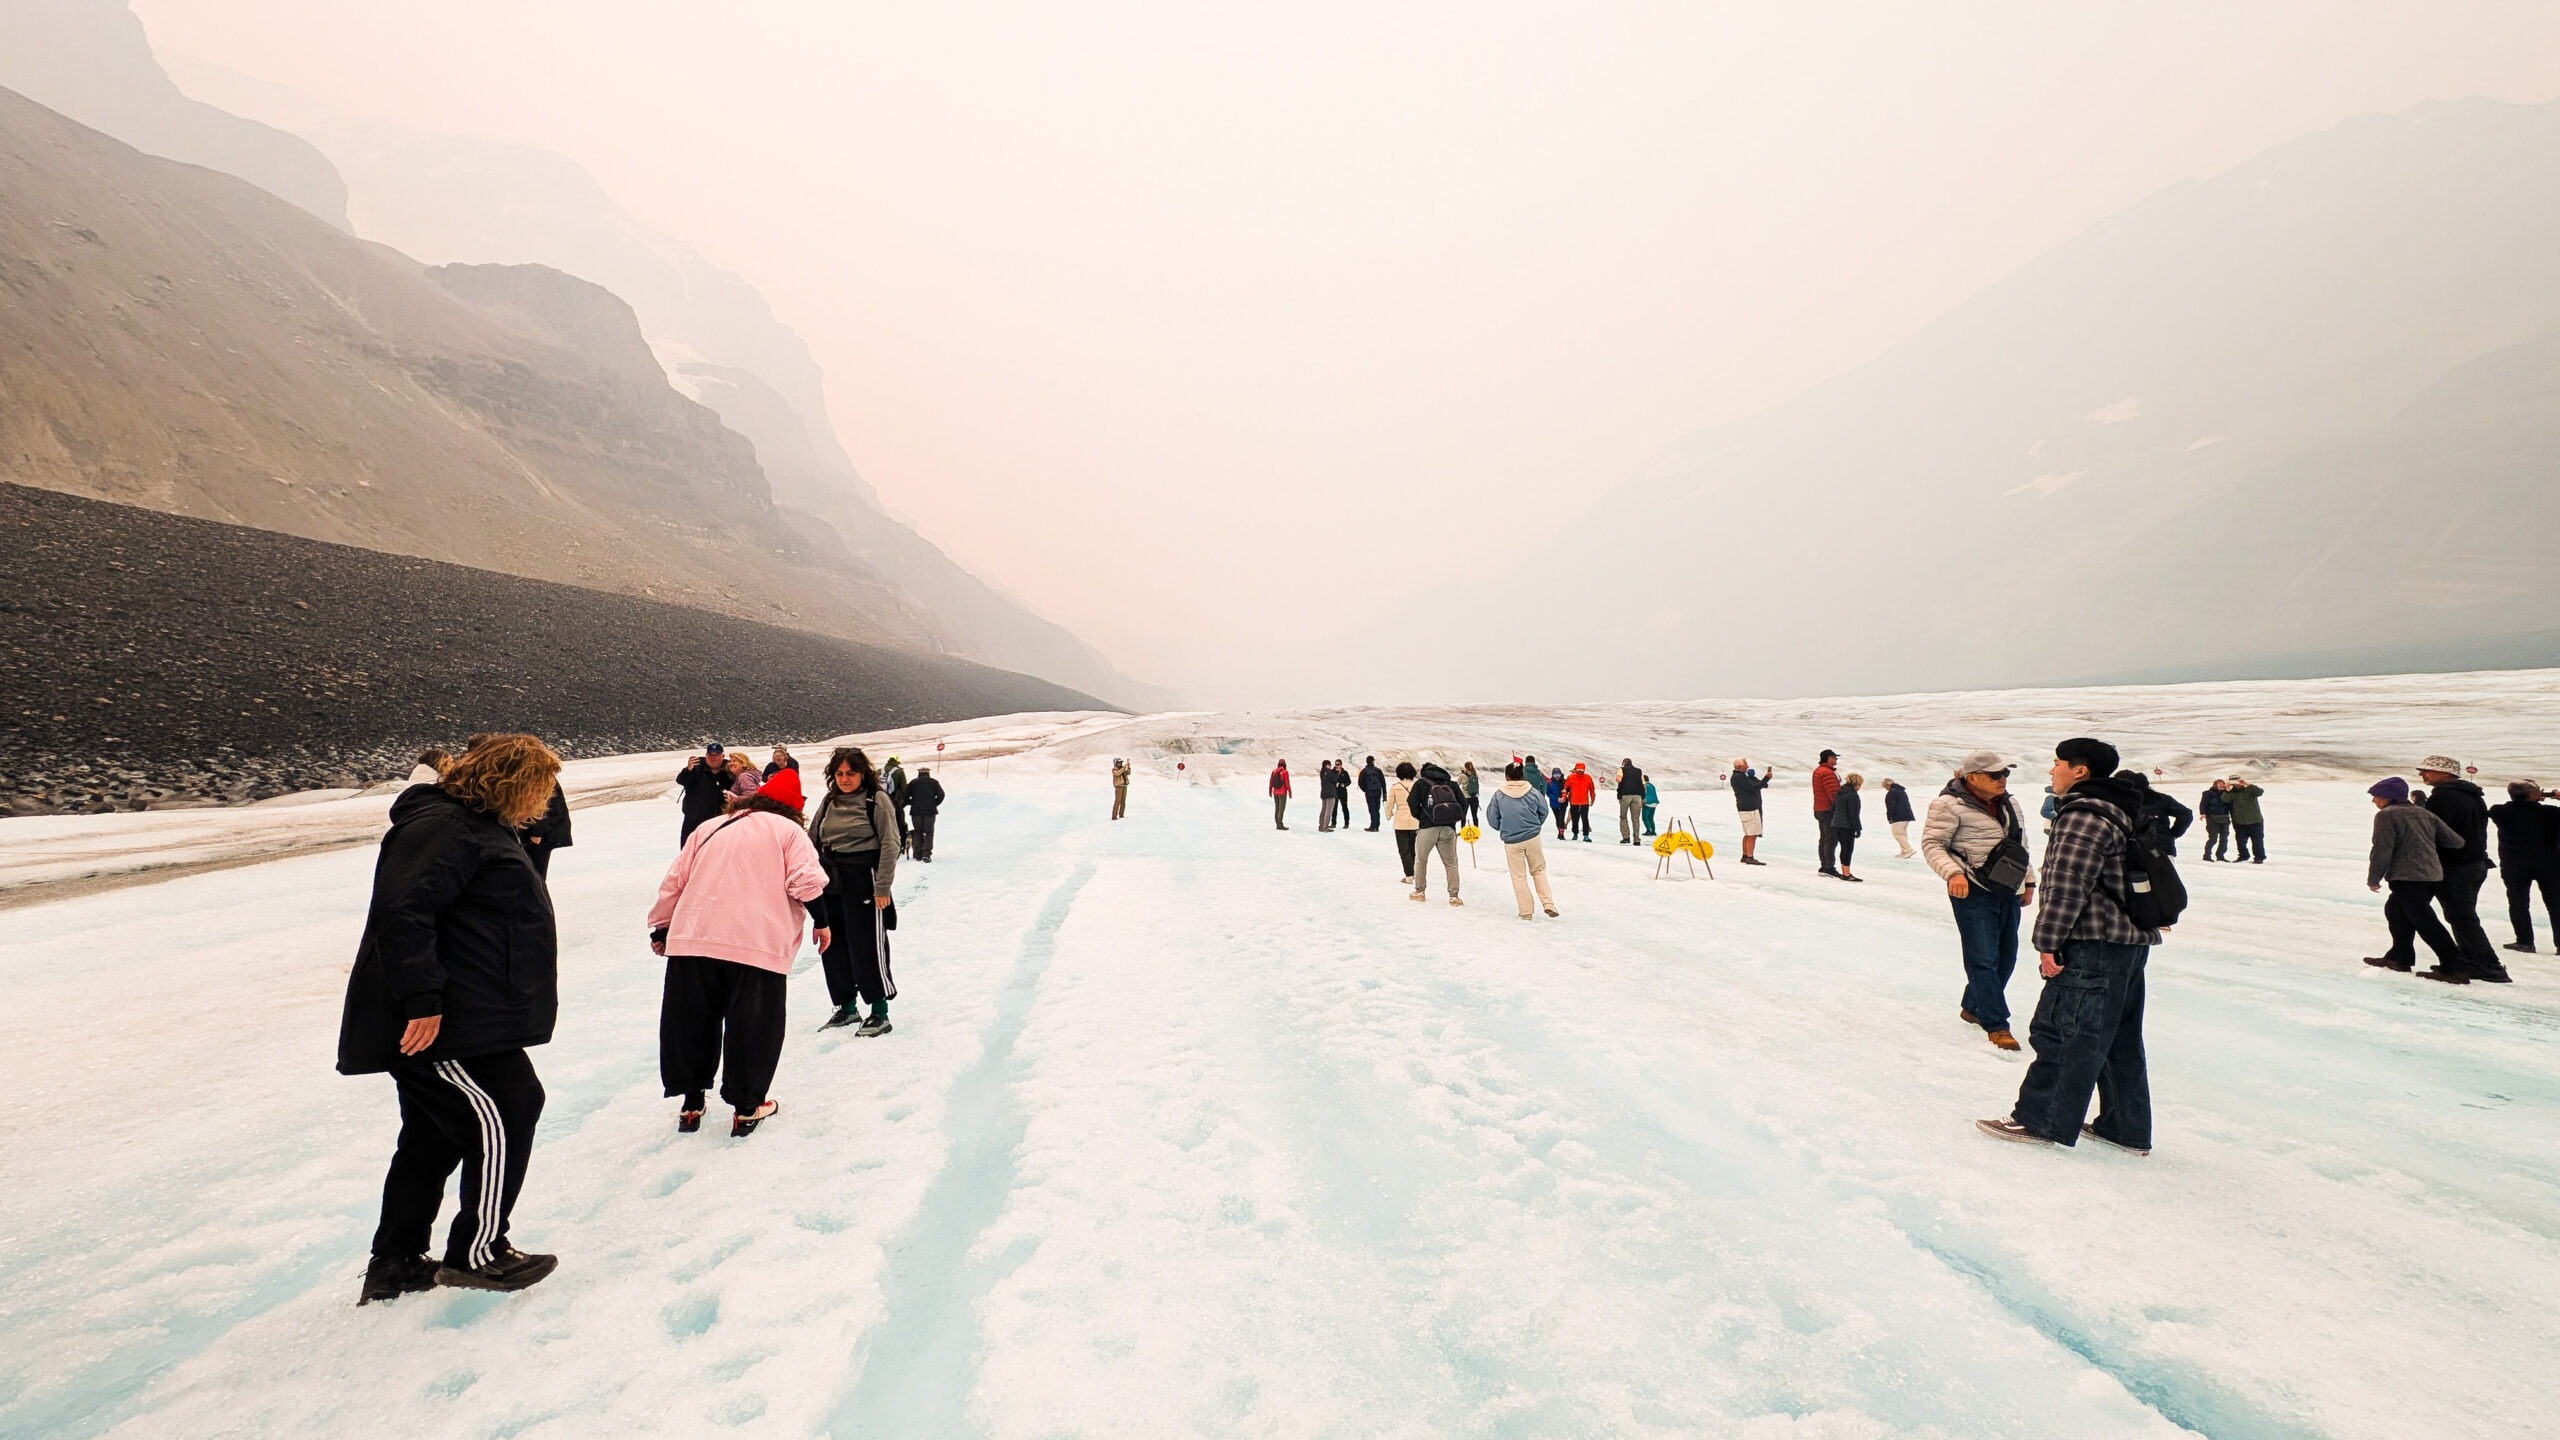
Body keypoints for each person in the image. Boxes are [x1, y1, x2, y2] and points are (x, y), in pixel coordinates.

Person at [339, 734, 564, 1304]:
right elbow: (404, 908)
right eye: (539, 789)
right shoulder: (447, 827)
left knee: (432, 1137)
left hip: (465, 1011)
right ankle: (479, 1251)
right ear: (514, 783)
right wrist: (422, 997)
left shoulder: (471, 825)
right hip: (450, 1022)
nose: (543, 803)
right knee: (511, 1107)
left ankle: (396, 1262)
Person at [1978, 738, 2159, 1154]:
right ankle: (2124, 1127)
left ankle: (2040, 1119)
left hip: (2091, 943)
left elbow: (2065, 887)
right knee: (2118, 1040)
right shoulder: (2121, 809)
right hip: (2128, 944)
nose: (2051, 770)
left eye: (2057, 763)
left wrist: (2047, 943)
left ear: (2080, 770)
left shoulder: (2081, 816)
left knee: (2064, 1032)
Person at [648, 767, 828, 1138]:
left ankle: (691, 1103)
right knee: (753, 1025)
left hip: (693, 939)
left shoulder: (710, 827)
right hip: (755, 942)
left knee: (691, 1021)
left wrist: (663, 927)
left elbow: (674, 881)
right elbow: (805, 881)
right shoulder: (789, 831)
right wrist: (822, 922)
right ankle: (747, 1109)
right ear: (794, 809)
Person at [1922, 752, 2034, 1052]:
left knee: (2006, 956)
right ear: (1971, 777)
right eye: (1994, 775)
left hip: (2008, 888)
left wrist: (2029, 880)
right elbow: (1933, 844)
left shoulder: (2011, 803)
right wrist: (1953, 874)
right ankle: (1997, 1023)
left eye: (2004, 774)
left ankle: (1973, 1006)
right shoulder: (1947, 804)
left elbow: (2019, 846)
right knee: (1982, 958)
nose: (2002, 780)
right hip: (1971, 890)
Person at [807, 747, 903, 1034]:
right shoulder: (829, 800)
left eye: (850, 773)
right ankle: (847, 1007)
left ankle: (879, 1010)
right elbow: (812, 838)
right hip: (831, 879)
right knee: (832, 945)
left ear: (863, 774)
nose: (845, 779)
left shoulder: (877, 800)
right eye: (839, 773)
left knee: (866, 945)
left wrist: (882, 886)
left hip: (864, 878)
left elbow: (890, 843)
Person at [2417, 756, 2510, 983]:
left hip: (2456, 865)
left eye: (2427, 770)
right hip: (2475, 863)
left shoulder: (2445, 796)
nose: (2422, 775)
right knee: (2462, 915)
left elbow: (2434, 830)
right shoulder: (2472, 795)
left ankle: (2489, 966)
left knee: (2462, 917)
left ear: (2445, 773)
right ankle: (2471, 962)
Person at [2361, 776, 2466, 978]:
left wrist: (2374, 878)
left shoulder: (2387, 816)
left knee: (2425, 921)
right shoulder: (2423, 812)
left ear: (2388, 797)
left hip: (2408, 877)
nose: (2374, 801)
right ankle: (2399, 957)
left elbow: (2382, 849)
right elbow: (2456, 842)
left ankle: (2455, 966)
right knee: (2395, 910)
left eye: (2376, 796)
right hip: (2431, 875)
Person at [2489, 781, 2560, 953]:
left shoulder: (2501, 811)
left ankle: (2525, 941)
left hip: (2514, 865)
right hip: (2549, 864)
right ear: (2533, 794)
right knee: (2555, 904)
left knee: (2518, 903)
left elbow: (2497, 810)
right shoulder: (2551, 813)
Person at [1486, 762, 1559, 919]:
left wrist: (1504, 827)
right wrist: (1535, 825)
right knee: (1538, 871)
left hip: (1511, 841)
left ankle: (1526, 912)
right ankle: (1548, 903)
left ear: (1507, 776)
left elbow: (1492, 818)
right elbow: (1544, 811)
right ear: (1522, 775)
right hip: (1533, 838)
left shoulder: (1499, 794)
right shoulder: (1532, 792)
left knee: (1519, 877)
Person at [1408, 761, 1466, 906]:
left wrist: (1422, 817)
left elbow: (1412, 802)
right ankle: (1454, 896)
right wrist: (1452, 820)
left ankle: (1420, 892)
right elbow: (1463, 804)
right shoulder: (1451, 784)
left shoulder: (1421, 784)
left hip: (1427, 827)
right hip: (1448, 828)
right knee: (1451, 863)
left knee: (1421, 860)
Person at [676, 743, 733, 847]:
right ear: (706, 756)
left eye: (717, 754)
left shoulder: (729, 771)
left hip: (720, 820)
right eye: (710, 754)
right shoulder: (696, 769)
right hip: (694, 819)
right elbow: (681, 780)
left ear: (723, 756)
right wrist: (688, 769)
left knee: (715, 851)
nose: (713, 757)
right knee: (688, 850)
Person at [516, 779, 573, 881]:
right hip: (536, 831)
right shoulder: (538, 773)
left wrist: (537, 832)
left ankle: (537, 895)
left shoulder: (538, 775)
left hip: (539, 834)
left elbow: (544, 806)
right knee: (532, 873)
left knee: (535, 874)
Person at [2128, 776, 2193, 856]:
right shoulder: (2162, 799)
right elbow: (2186, 814)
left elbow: (2186, 814)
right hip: (2162, 849)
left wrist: (2174, 834)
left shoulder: (2125, 801)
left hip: (2136, 852)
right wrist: (2173, 834)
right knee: (2164, 867)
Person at [1729, 759, 1771, 866]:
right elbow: (1754, 787)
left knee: (1748, 833)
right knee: (1752, 834)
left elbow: (1754, 786)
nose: (1747, 767)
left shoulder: (1737, 777)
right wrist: (1766, 778)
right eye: (1746, 765)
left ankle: (1745, 855)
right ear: (1740, 766)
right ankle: (1749, 857)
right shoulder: (1740, 777)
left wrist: (1763, 781)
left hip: (1744, 807)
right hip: (1749, 808)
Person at [904, 767, 946, 862]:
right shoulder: (934, 782)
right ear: (928, 773)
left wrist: (912, 802)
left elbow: (904, 795)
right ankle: (926, 854)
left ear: (919, 773)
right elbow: (941, 795)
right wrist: (934, 803)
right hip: (930, 812)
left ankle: (918, 854)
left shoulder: (913, 783)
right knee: (929, 832)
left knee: (918, 832)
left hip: (916, 811)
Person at [1829, 774, 1865, 881]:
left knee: (1843, 849)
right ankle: (1846, 874)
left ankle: (1845, 872)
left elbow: (1833, 808)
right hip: (1847, 826)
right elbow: (1853, 814)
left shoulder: (1840, 792)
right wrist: (1858, 828)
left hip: (1836, 824)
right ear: (1857, 784)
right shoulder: (1853, 795)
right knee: (1848, 849)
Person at [1388, 761, 1421, 878]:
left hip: (1400, 821)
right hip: (1415, 820)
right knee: (1414, 849)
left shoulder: (1395, 787)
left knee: (1404, 850)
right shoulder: (1418, 785)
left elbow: (1390, 803)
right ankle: (1416, 873)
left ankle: (1409, 875)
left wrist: (1388, 814)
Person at [1812, 750, 1842, 875]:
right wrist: (1840, 808)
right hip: (1828, 810)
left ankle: (1824, 865)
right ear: (1829, 758)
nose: (1836, 760)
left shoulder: (1818, 771)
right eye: (1835, 758)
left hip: (1819, 808)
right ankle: (1828, 867)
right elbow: (1833, 794)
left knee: (1824, 838)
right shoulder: (1827, 773)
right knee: (1831, 839)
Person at [2225, 776, 2267, 862]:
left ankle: (2259, 857)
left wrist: (2247, 784)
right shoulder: (2231, 793)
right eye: (2233, 782)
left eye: (2237, 781)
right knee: (2240, 842)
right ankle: (2244, 855)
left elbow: (2260, 792)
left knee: (2257, 841)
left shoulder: (2249, 790)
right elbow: (2225, 800)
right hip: (2239, 822)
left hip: (2255, 821)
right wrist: (2227, 789)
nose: (2236, 784)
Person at [2198, 780, 2233, 861]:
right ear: (2215, 785)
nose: (2221, 786)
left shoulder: (2227, 794)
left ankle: (2220, 855)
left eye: (2222, 784)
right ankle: (2207, 855)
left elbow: (2230, 804)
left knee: (2224, 838)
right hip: (2212, 818)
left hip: (2224, 818)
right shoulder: (2208, 793)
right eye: (2219, 784)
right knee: (2213, 838)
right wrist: (2203, 813)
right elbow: (2203, 803)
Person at [1882, 778, 1916, 857]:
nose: (1885, 789)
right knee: (1903, 834)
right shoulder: (1901, 791)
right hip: (1906, 816)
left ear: (1887, 785)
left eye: (1885, 787)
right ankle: (1904, 851)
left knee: (1898, 834)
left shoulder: (1891, 793)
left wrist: (1890, 817)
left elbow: (1891, 807)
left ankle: (1909, 850)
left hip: (1898, 817)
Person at [1565, 763, 1598, 842]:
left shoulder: (1587, 778)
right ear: (1576, 769)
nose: (1580, 772)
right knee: (1578, 819)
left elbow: (1592, 789)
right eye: (1579, 770)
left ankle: (1582, 835)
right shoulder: (1571, 777)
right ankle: (1578, 834)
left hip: (1581, 802)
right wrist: (1564, 796)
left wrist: (1593, 799)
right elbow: (1566, 788)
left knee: (1582, 819)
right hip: (1577, 802)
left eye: (1582, 770)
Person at [1615, 759, 1646, 844]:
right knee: (1635, 819)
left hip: (1626, 796)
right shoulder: (1639, 771)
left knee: (1623, 817)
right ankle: (1636, 840)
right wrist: (1643, 797)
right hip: (1637, 797)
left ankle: (1626, 837)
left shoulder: (1622, 769)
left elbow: (1618, 780)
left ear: (1624, 763)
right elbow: (1643, 784)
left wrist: (1618, 778)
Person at [1358, 756, 1387, 830]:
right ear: (1373, 761)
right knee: (1377, 809)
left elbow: (1360, 783)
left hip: (1369, 792)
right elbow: (1383, 782)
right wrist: (1384, 793)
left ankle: (1373, 826)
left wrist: (1366, 789)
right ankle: (1377, 826)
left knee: (1372, 809)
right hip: (1378, 792)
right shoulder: (1378, 770)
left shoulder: (1364, 771)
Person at [1268, 760, 1293, 830]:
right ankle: (1280, 825)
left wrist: (1270, 791)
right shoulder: (1285, 772)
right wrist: (1290, 792)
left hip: (1275, 792)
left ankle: (1277, 823)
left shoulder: (1274, 771)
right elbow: (1287, 783)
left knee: (1277, 808)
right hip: (1282, 793)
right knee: (1281, 809)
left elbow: (1271, 782)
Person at [1547, 766, 1569, 839]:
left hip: (1563, 803)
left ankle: (1561, 834)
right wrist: (1557, 799)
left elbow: (1568, 790)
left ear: (1561, 774)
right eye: (1555, 775)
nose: (1557, 776)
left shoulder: (1564, 781)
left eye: (1558, 775)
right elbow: (1548, 793)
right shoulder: (1550, 783)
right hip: (1554, 803)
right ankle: (1559, 831)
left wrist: (1564, 797)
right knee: (1557, 818)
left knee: (1561, 817)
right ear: (1552, 775)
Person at [1460, 761, 1483, 827]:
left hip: (1466, 798)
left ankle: (1463, 830)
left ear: (1465, 767)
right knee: (1474, 815)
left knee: (1463, 815)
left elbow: (1457, 784)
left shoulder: (1462, 775)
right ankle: (1476, 829)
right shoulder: (1475, 774)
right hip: (1475, 797)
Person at [1641, 773, 1659, 837]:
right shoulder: (1652, 785)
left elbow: (1643, 794)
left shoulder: (1645, 785)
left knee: (1645, 818)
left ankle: (1648, 830)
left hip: (1648, 803)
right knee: (1651, 818)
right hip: (1654, 803)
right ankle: (1653, 831)